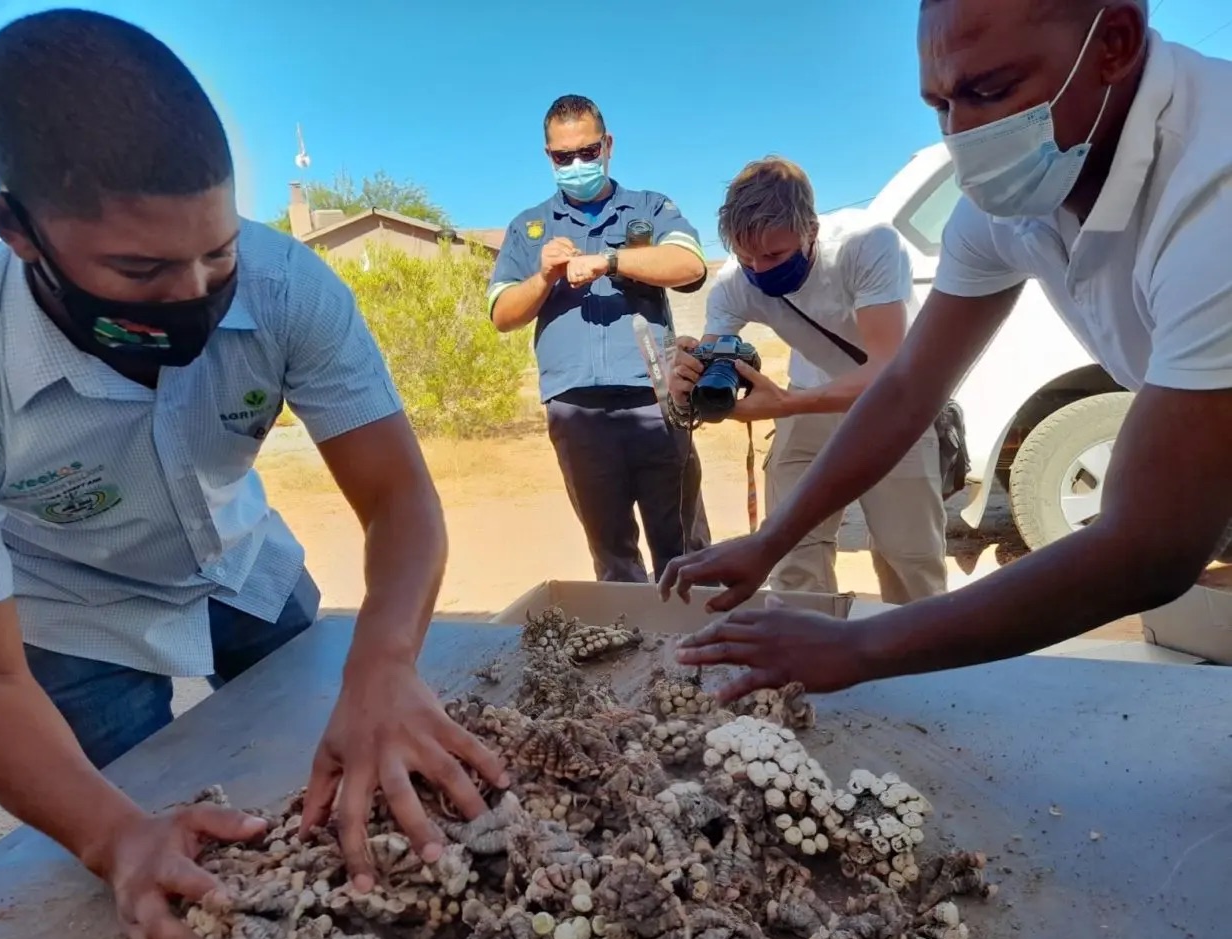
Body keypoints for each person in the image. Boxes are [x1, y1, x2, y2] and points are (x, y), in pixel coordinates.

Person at [0, 10, 506, 939]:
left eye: (215, 253)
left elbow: (398, 499)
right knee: (150, 850)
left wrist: (382, 666)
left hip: (243, 566)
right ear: (15, 227)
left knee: (342, 758)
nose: (194, 296)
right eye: (140, 268)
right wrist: (110, 838)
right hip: (78, 618)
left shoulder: (286, 284)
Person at [659, 0, 1232, 703]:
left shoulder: (1215, 189)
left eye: (988, 91)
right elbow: (905, 388)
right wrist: (771, 539)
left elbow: (1150, 545)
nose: (963, 136)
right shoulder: (1009, 198)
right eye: (939, 105)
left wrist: (860, 644)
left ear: (1113, 42)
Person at [667, 156, 947, 604]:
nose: (759, 269)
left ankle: (919, 661)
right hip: (807, 395)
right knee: (793, 553)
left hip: (892, 400)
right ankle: (808, 660)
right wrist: (689, 384)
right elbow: (717, 371)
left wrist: (783, 406)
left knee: (908, 554)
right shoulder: (735, 283)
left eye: (774, 254)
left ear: (810, 229)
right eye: (746, 257)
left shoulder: (866, 244)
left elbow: (887, 370)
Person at [487, 94, 713, 584]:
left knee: (684, 549)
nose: (577, 164)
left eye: (588, 152)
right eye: (563, 157)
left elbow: (690, 265)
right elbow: (503, 315)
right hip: (577, 413)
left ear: (607, 145)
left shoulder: (650, 207)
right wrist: (544, 276)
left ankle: (698, 653)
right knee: (612, 556)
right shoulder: (529, 227)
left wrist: (611, 261)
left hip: (656, 404)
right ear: (549, 157)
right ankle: (636, 657)